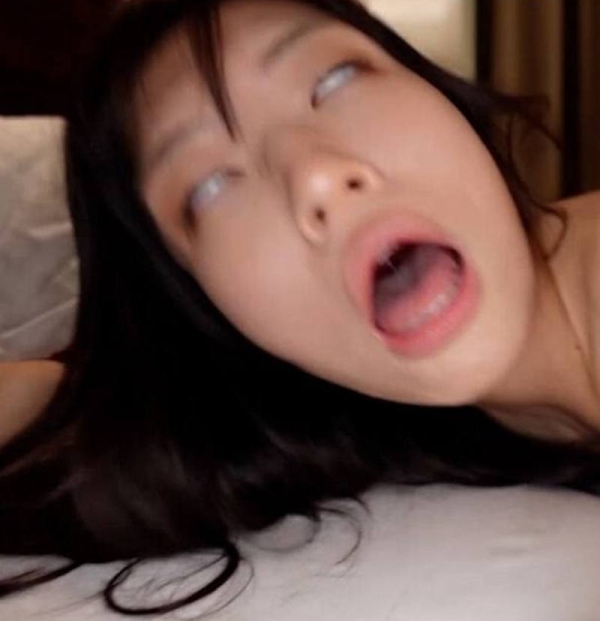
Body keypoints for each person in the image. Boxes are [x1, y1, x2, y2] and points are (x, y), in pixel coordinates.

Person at [2, 0, 600, 615]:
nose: (315, 177)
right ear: (212, 310)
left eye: (335, 80)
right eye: (210, 186)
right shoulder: (359, 420)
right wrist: (57, 390)